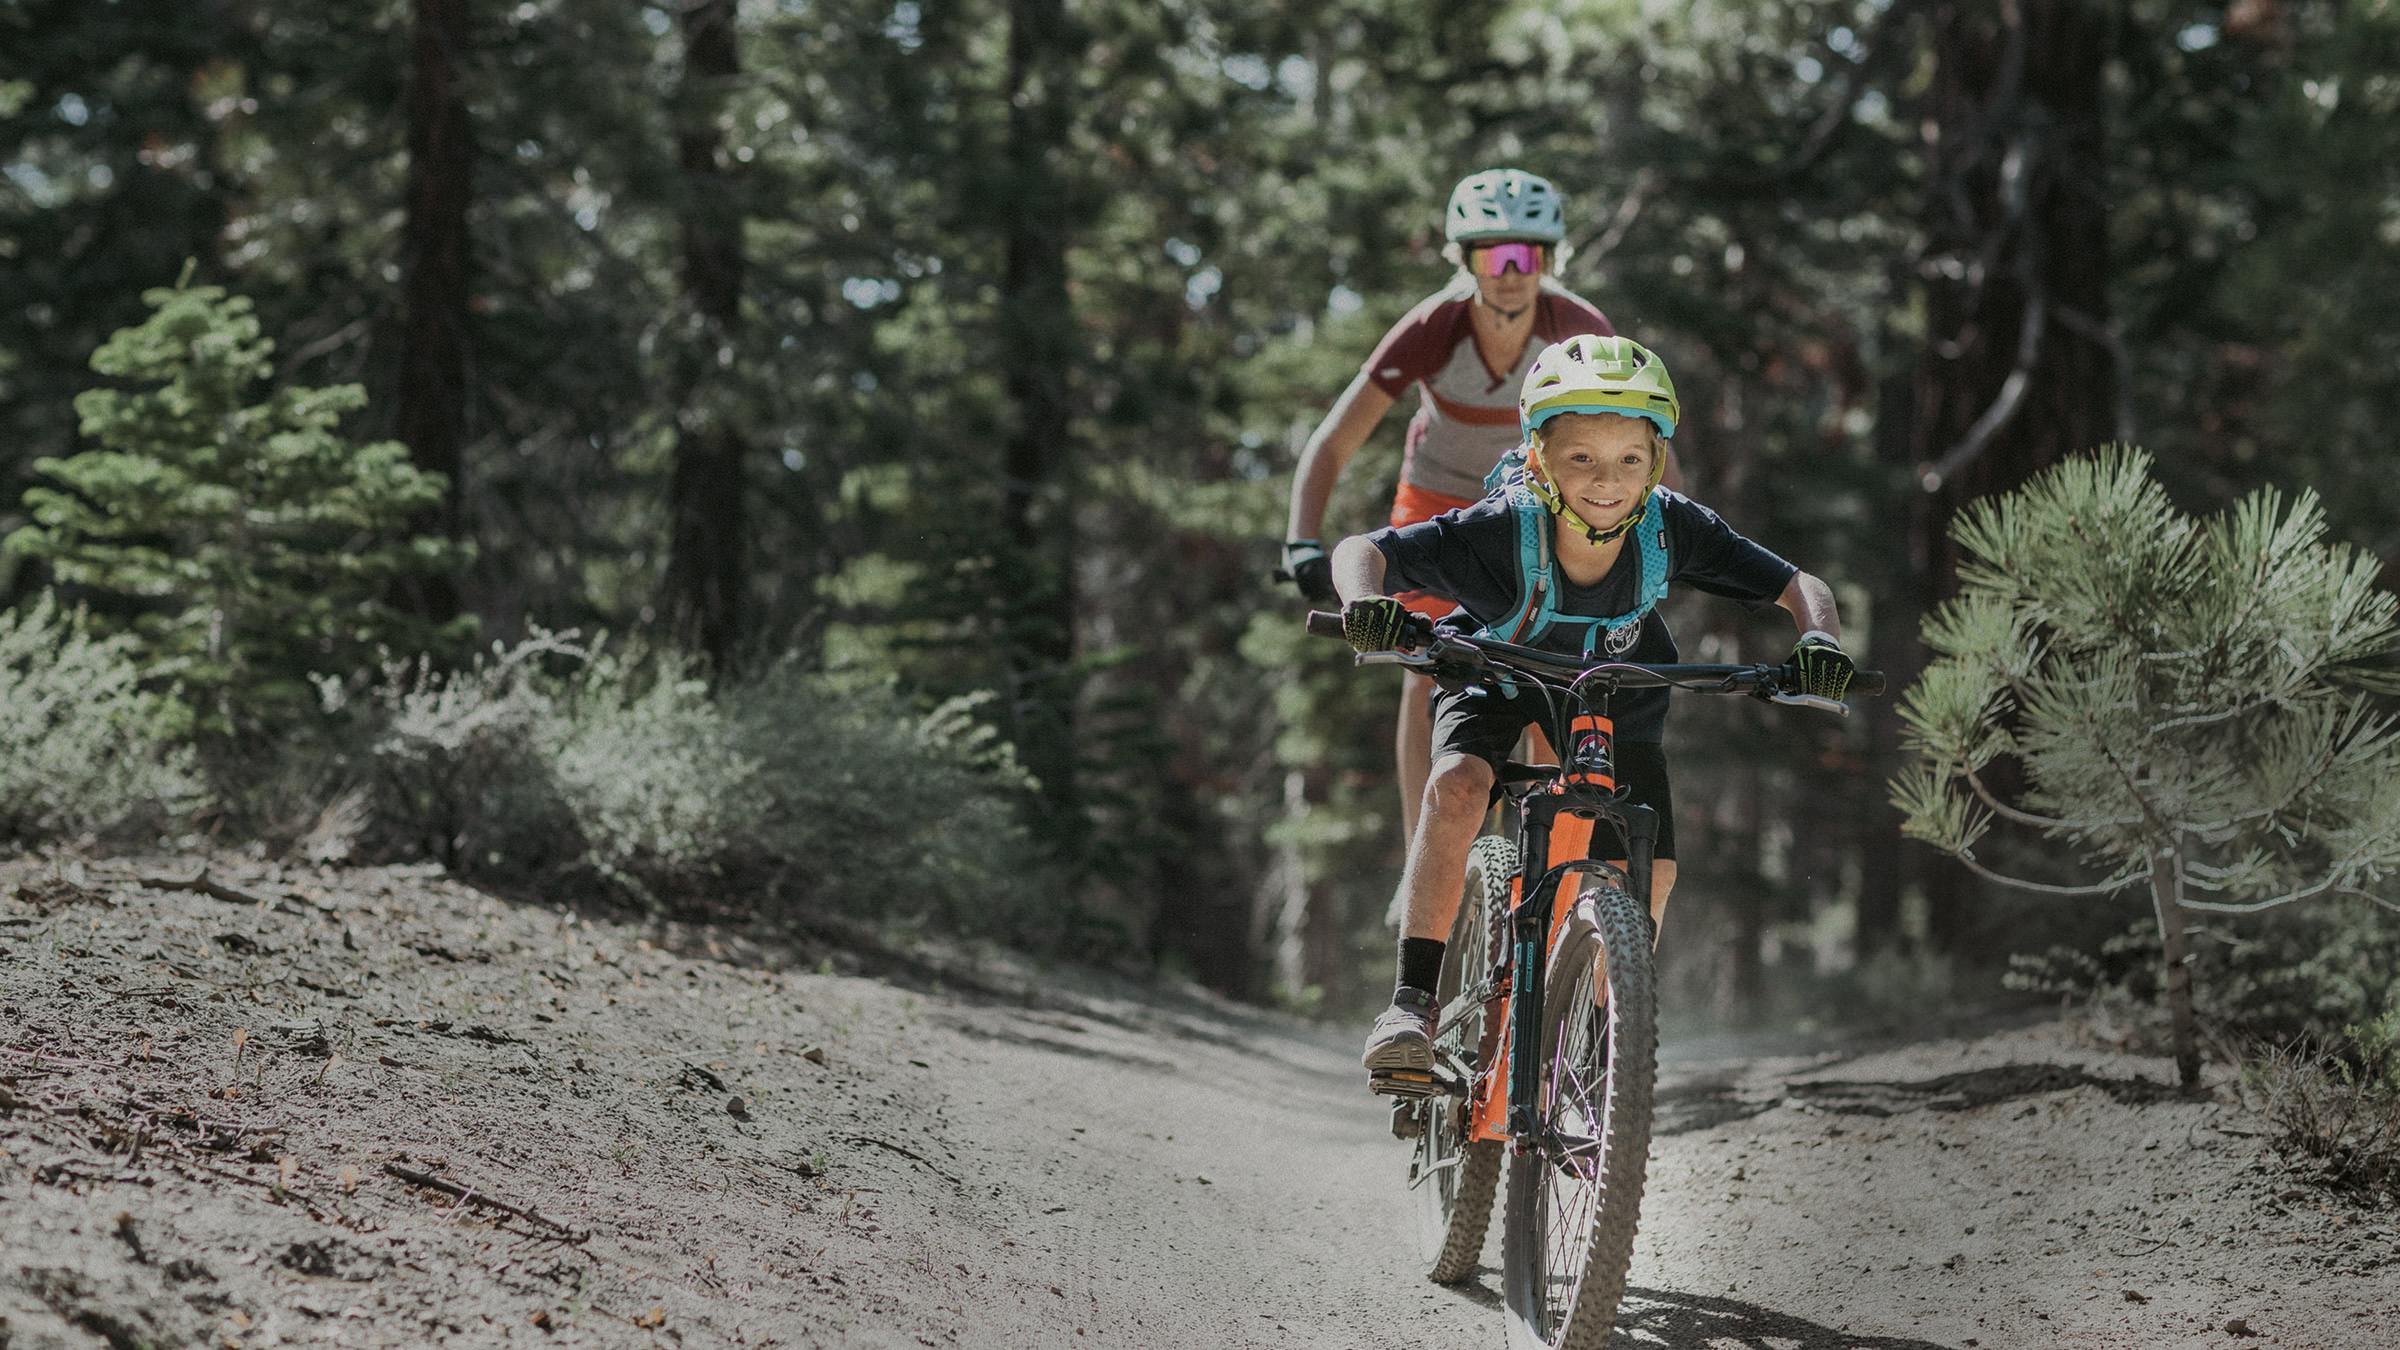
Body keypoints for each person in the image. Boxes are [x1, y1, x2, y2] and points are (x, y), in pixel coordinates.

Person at [1324, 334, 1854, 1080]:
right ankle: (1411, 1004)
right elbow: (1361, 550)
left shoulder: (1671, 526)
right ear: (1539, 458)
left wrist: (1821, 641)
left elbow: (1798, 584)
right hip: (1494, 673)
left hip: (1614, 687)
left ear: (1655, 462)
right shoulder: (1500, 530)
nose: (1607, 481)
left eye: (1629, 460)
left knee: (1653, 871)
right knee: (1458, 789)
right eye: (1581, 459)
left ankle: (1601, 1052)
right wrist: (1366, 604)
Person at [1282, 168, 1680, 853]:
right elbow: (1336, 438)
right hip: (1437, 494)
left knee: (1556, 669)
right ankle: (1424, 848)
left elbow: (1641, 436)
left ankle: (1553, 862)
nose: (1510, 272)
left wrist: (1671, 535)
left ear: (1550, 261)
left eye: (1528, 255)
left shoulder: (1578, 329)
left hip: (1539, 503)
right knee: (1424, 659)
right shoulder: (1434, 328)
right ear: (1463, 261)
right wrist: (1301, 543)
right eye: (1491, 254)